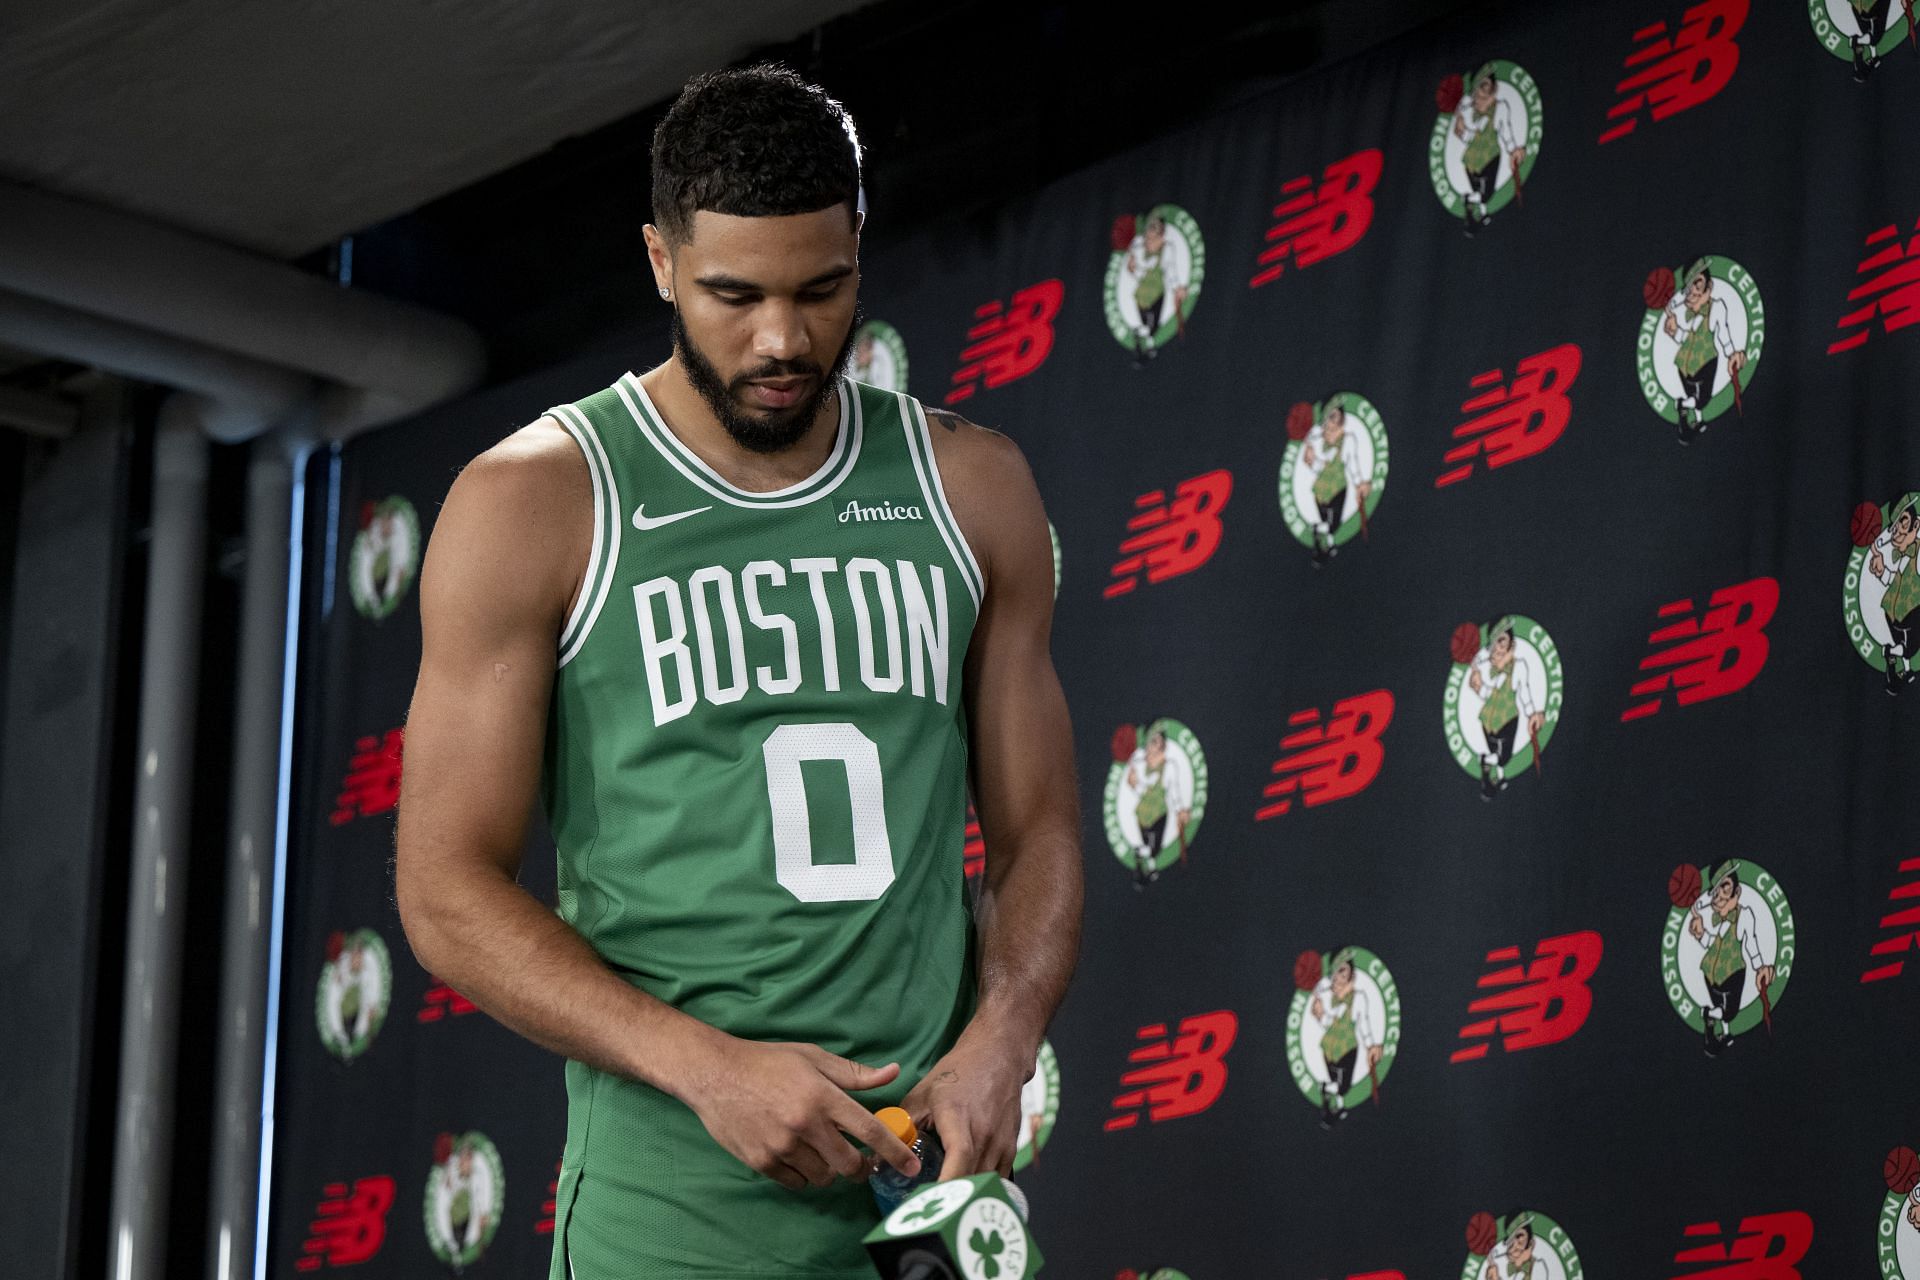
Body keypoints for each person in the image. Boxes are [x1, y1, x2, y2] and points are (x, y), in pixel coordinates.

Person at [393, 65, 1083, 1279]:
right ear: (660, 260)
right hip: (670, 1223)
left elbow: (1038, 831)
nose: (782, 337)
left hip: (923, 1210)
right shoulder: (536, 501)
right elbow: (445, 887)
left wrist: (1007, 1033)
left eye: (822, 290)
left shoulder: (971, 486)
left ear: (861, 254)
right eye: (733, 294)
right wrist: (703, 1064)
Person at [1686, 860, 1774, 1057]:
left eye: (1725, 889)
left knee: (1727, 1012)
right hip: (1712, 974)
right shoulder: (1718, 920)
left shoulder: (1744, 916)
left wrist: (1760, 967)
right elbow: (1711, 943)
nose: (1719, 898)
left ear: (1737, 892)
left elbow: (1751, 943)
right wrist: (1700, 934)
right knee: (1727, 1011)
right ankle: (1713, 1020)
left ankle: (1719, 1028)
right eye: (1716, 892)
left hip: (1730, 973)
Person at [1662, 258, 1746, 444]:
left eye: (1697, 286)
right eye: (1689, 288)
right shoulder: (1690, 314)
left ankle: (1697, 422)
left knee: (1696, 397)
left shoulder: (1716, 307)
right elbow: (1688, 338)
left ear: (1709, 288)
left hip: (1693, 363)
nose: (1692, 293)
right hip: (1697, 364)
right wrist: (1674, 330)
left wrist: (1733, 353)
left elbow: (1723, 333)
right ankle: (1681, 405)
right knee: (1701, 400)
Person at [1467, 617, 1543, 800]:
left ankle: (1498, 777)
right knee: (1500, 756)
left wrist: (1532, 713)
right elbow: (1486, 693)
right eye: (1495, 643)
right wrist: (1477, 683)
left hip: (1507, 719)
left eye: (1503, 641)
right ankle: (1486, 762)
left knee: (1503, 757)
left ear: (1511, 643)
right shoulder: (1488, 665)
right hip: (1487, 721)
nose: (1498, 648)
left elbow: (1524, 691)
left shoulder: (1519, 667)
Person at [1307, 949, 1379, 1128]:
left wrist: (1371, 1045)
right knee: (1339, 1086)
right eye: (1336, 970)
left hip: (1347, 1048)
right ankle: (1329, 1098)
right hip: (1329, 1048)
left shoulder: (1359, 998)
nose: (1339, 975)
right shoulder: (1327, 997)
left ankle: (1336, 1105)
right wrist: (1320, 1013)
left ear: (1351, 973)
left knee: (1342, 1086)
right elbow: (1328, 1023)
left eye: (1343, 970)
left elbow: (1363, 1023)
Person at [1451, 65, 1525, 236]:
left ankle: (1473, 205)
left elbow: (1505, 131)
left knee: (1486, 193)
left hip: (1491, 157)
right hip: (1471, 161)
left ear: (1493, 89)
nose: (1480, 95)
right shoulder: (1469, 110)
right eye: (1478, 89)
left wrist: (1513, 149)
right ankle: (1479, 212)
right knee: (1481, 192)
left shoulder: (1500, 108)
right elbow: (1467, 136)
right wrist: (1461, 128)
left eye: (1486, 87)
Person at [1298, 398, 1372, 565]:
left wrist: (1359, 483)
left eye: (1335, 416)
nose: (1331, 421)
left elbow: (1352, 463)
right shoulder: (1317, 439)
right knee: (1328, 524)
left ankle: (1324, 541)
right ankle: (1324, 545)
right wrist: (1311, 459)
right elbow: (1316, 467)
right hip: (1320, 490)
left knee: (1334, 524)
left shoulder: (1348, 439)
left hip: (1338, 488)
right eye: (1329, 416)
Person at [1870, 495, 1920, 694]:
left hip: (1893, 612)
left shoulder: (1910, 555)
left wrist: (1882, 571)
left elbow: (1892, 580)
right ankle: (1889, 652)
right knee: (1909, 647)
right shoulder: (1910, 555)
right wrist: (1881, 570)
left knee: (1904, 644)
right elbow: (1894, 581)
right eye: (1896, 527)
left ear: (1915, 526)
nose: (1898, 532)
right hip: (1905, 612)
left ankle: (1906, 671)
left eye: (1903, 523)